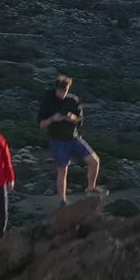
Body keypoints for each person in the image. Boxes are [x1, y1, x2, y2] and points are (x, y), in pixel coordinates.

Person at [38, 75, 107, 207]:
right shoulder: (48, 100)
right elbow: (41, 124)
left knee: (94, 161)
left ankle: (91, 188)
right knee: (63, 170)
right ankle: (63, 200)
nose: (63, 93)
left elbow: (80, 119)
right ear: (56, 89)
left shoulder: (73, 100)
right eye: (60, 90)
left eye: (65, 90)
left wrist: (74, 118)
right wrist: (52, 119)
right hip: (58, 141)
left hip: (73, 138)